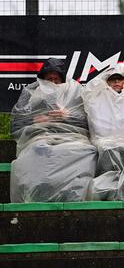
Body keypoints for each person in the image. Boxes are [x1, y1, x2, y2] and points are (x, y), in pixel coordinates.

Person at [10, 58, 96, 202]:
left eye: (56, 78)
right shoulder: (31, 92)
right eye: (49, 79)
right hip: (38, 138)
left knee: (86, 151)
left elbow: (90, 122)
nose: (53, 82)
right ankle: (35, 195)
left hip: (73, 138)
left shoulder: (76, 91)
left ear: (62, 78)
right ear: (42, 79)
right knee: (38, 151)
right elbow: (16, 125)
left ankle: (75, 196)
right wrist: (34, 120)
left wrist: (67, 116)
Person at [82, 64, 124, 200]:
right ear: (106, 82)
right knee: (106, 149)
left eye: (120, 79)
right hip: (104, 143)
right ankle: (106, 192)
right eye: (112, 80)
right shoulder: (98, 97)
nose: (116, 82)